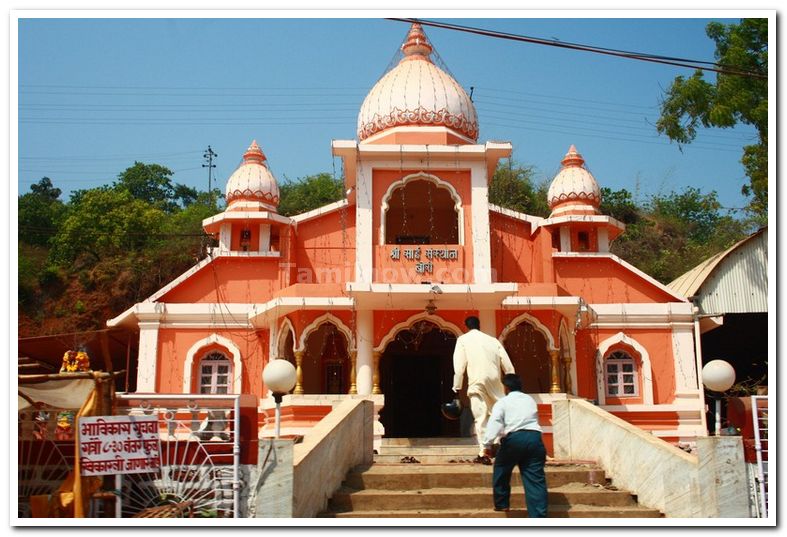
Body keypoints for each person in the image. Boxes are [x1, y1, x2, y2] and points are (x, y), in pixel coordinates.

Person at [482, 373, 548, 517]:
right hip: (535, 439)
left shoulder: (503, 402)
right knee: (535, 479)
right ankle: (539, 517)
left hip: (515, 439)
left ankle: (502, 503)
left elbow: (496, 422)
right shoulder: (530, 400)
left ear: (505, 388)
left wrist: (487, 445)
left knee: (501, 469)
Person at [452, 315, 515, 463]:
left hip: (477, 380)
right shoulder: (493, 340)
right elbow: (507, 364)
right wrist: (512, 383)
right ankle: (499, 442)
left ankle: (484, 451)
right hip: (495, 381)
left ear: (466, 327)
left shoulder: (463, 340)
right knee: (498, 413)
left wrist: (457, 386)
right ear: (479, 325)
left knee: (480, 418)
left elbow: (459, 366)